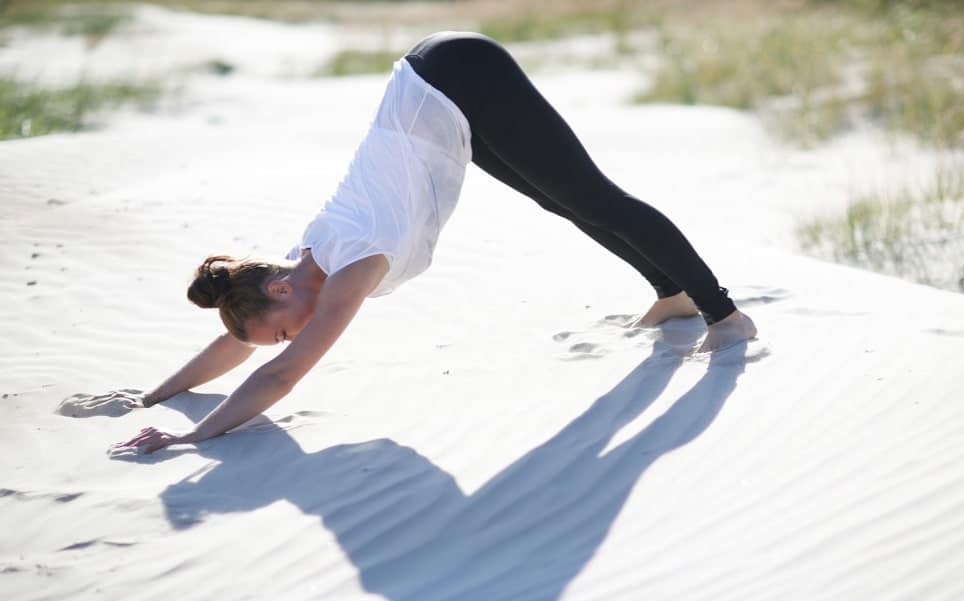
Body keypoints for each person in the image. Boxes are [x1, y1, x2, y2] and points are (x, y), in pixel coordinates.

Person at [108, 32, 756, 456]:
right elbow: (239, 340)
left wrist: (188, 437)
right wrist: (153, 397)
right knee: (558, 198)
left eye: (280, 330)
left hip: (454, 77)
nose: (288, 338)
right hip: (439, 90)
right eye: (276, 335)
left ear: (277, 290)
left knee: (595, 196)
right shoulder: (300, 259)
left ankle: (723, 312)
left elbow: (280, 371)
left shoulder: (350, 265)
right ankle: (670, 293)